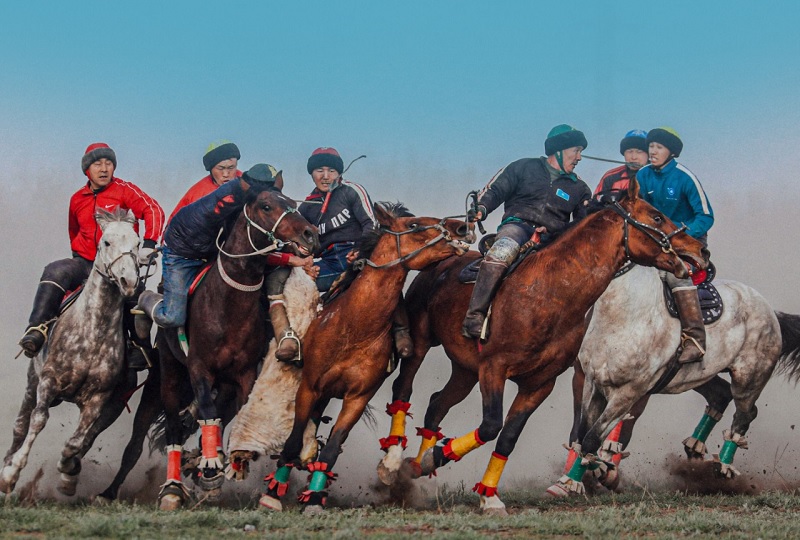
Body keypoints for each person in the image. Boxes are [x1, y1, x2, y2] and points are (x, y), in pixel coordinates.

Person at [18, 143, 165, 370]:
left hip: (119, 265)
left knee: (136, 293)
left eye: (109, 164)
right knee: (55, 271)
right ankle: (37, 329)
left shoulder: (125, 190)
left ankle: (139, 347)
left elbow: (153, 209)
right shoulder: (77, 199)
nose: (104, 169)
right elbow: (74, 231)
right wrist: (79, 254)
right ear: (87, 170)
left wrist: (149, 244)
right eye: (98, 164)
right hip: (87, 262)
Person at [135, 164, 298, 346]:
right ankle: (146, 300)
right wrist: (289, 259)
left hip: (212, 247)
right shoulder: (225, 201)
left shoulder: (245, 193)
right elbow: (243, 251)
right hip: (182, 253)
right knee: (172, 317)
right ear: (248, 187)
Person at [463, 125, 592, 339]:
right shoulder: (523, 167)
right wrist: (481, 209)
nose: (579, 157)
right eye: (576, 151)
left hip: (554, 241)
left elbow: (582, 227)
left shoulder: (580, 188)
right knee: (501, 253)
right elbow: (495, 191)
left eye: (580, 152)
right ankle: (474, 317)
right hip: (517, 227)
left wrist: (560, 228)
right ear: (558, 150)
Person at [297, 147, 413, 357]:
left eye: (331, 170)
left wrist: (361, 249)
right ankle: (297, 339)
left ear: (339, 173)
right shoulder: (306, 207)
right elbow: (300, 243)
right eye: (319, 170)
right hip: (329, 262)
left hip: (358, 254)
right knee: (295, 283)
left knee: (386, 277)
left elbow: (370, 222)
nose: (325, 176)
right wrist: (304, 262)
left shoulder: (351, 191)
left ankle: (401, 330)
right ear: (311, 173)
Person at [637, 127, 713, 363]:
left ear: (671, 152)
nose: (653, 151)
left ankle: (694, 339)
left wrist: (679, 234)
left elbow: (706, 216)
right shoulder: (642, 175)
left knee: (676, 276)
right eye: (650, 147)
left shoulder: (685, 177)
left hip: (687, 244)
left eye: (659, 147)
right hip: (655, 242)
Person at [166, 141, 243, 223]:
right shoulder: (196, 195)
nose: (226, 174)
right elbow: (173, 226)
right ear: (211, 169)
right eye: (220, 168)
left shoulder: (250, 187)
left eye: (231, 167)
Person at [594, 129, 650, 197]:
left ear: (649, 154)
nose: (634, 157)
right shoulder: (610, 177)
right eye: (629, 151)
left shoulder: (658, 178)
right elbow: (595, 203)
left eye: (639, 152)